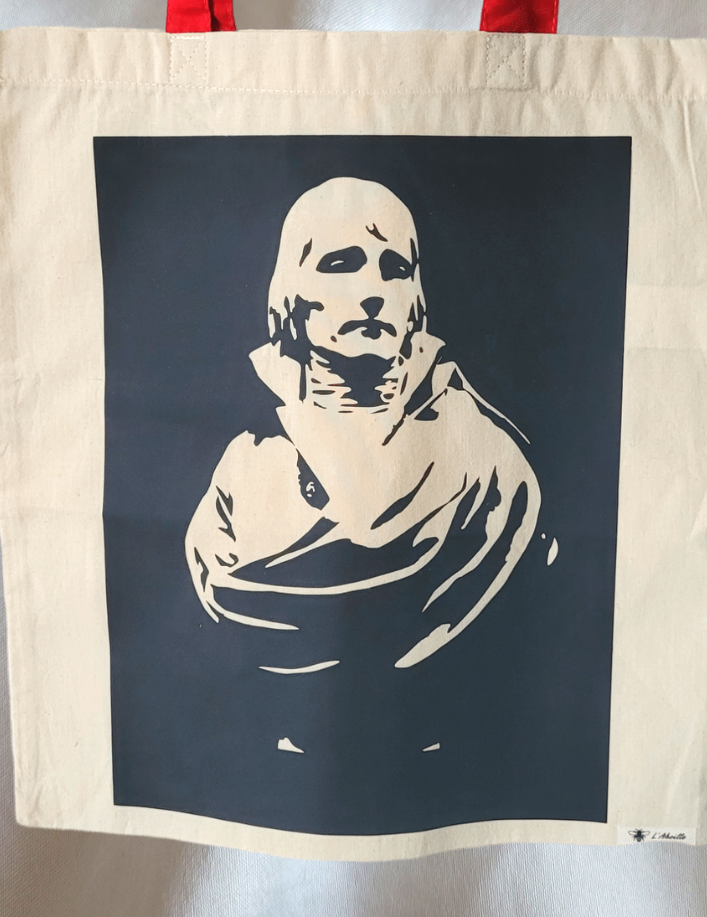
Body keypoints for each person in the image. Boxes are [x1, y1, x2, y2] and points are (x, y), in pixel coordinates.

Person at [184, 176, 543, 674]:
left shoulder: (488, 464)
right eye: (340, 264)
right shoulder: (246, 466)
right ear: (290, 295)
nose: (374, 291)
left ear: (415, 304)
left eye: (395, 269)